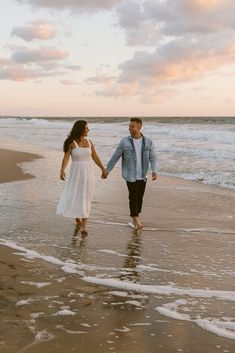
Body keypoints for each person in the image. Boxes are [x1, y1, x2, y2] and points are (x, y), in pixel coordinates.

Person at [104, 118, 157, 231]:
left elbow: (153, 158)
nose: (130, 128)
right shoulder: (124, 142)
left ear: (139, 127)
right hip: (130, 174)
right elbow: (115, 157)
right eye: (129, 126)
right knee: (133, 196)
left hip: (143, 175)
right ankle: (136, 218)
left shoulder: (148, 141)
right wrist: (107, 170)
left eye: (132, 126)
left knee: (140, 198)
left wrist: (154, 171)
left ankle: (134, 217)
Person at [56, 120, 108, 235]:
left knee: (86, 198)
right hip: (76, 173)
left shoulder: (89, 142)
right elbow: (66, 158)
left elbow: (95, 157)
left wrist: (103, 169)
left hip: (88, 173)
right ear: (81, 129)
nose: (88, 130)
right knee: (75, 196)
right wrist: (62, 170)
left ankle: (84, 226)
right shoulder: (70, 142)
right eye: (86, 128)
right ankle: (76, 218)